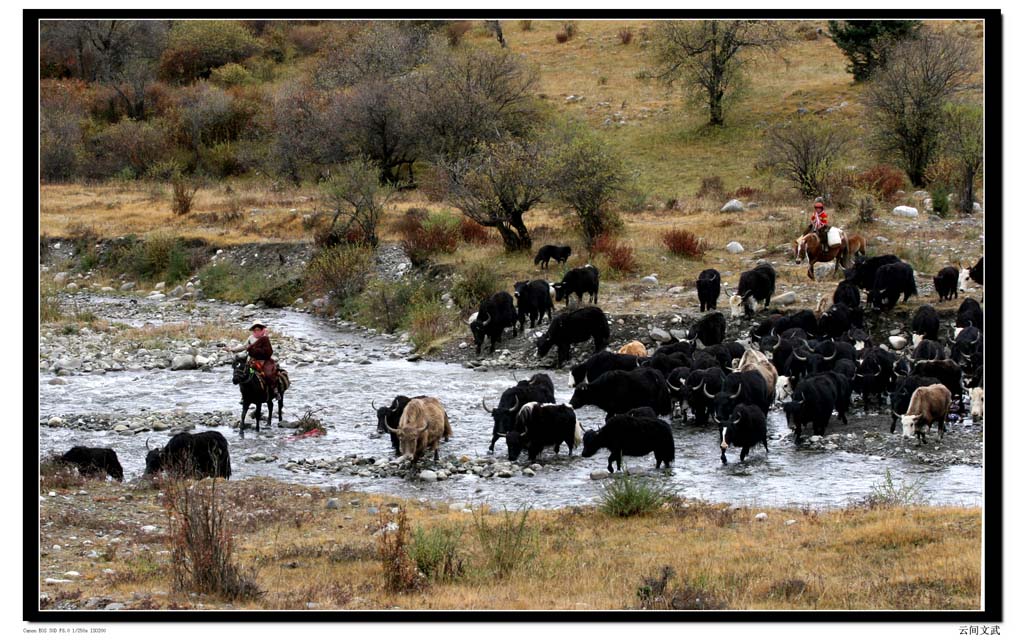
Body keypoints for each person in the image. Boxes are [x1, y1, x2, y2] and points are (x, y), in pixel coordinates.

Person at [227, 321, 278, 391]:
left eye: (258, 329)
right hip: (252, 360)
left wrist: (256, 350)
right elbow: (244, 346)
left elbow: (268, 350)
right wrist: (232, 350)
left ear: (262, 329)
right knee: (242, 374)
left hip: (264, 360)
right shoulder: (251, 338)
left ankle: (274, 390)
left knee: (268, 374)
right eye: (255, 330)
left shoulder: (265, 338)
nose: (256, 331)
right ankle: (244, 394)